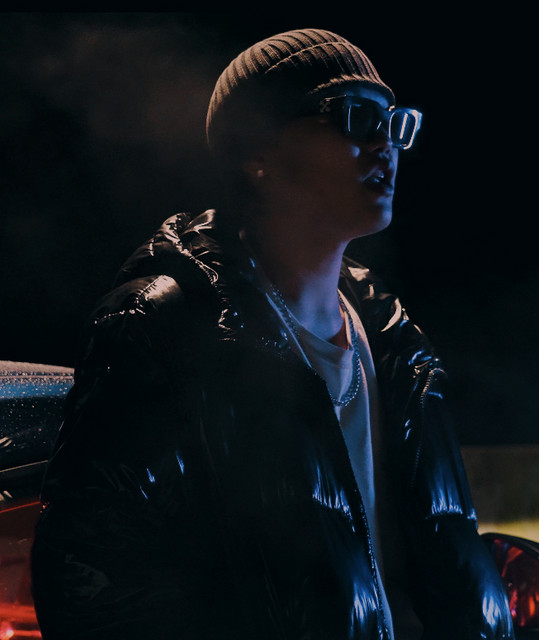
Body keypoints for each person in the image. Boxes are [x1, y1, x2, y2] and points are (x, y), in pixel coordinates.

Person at [31, 28, 515, 639]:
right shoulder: (166, 328)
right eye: (354, 117)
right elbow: (92, 586)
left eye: (394, 123)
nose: (384, 144)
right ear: (256, 153)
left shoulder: (398, 344)